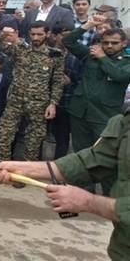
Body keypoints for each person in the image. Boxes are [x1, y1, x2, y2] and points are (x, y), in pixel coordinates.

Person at [0, 106, 130, 261]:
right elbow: (92, 160)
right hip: (122, 260)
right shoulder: (126, 121)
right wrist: (23, 168)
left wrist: (88, 202)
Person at [63, 19, 130, 192]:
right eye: (105, 42)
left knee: (105, 157)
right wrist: (88, 25)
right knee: (81, 154)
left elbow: (119, 75)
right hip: (80, 112)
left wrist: (102, 58)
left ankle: (110, 195)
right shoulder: (90, 54)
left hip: (104, 116)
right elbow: (68, 41)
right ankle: (84, 192)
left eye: (114, 43)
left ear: (124, 43)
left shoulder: (126, 61)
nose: (109, 46)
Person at [0, 21, 64, 168]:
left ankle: (27, 171)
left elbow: (57, 81)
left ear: (47, 34)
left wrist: (53, 104)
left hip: (39, 103)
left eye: (40, 34)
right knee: (4, 135)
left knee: (34, 140)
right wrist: (3, 35)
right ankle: (2, 169)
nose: (36, 37)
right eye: (33, 34)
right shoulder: (19, 49)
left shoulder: (55, 55)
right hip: (15, 101)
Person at [48, 24, 82, 160]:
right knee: (38, 135)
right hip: (43, 100)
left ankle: (58, 165)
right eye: (63, 35)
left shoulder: (77, 57)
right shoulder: (47, 54)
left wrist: (71, 81)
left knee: (62, 137)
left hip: (66, 102)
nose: (67, 38)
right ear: (54, 36)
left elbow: (83, 80)